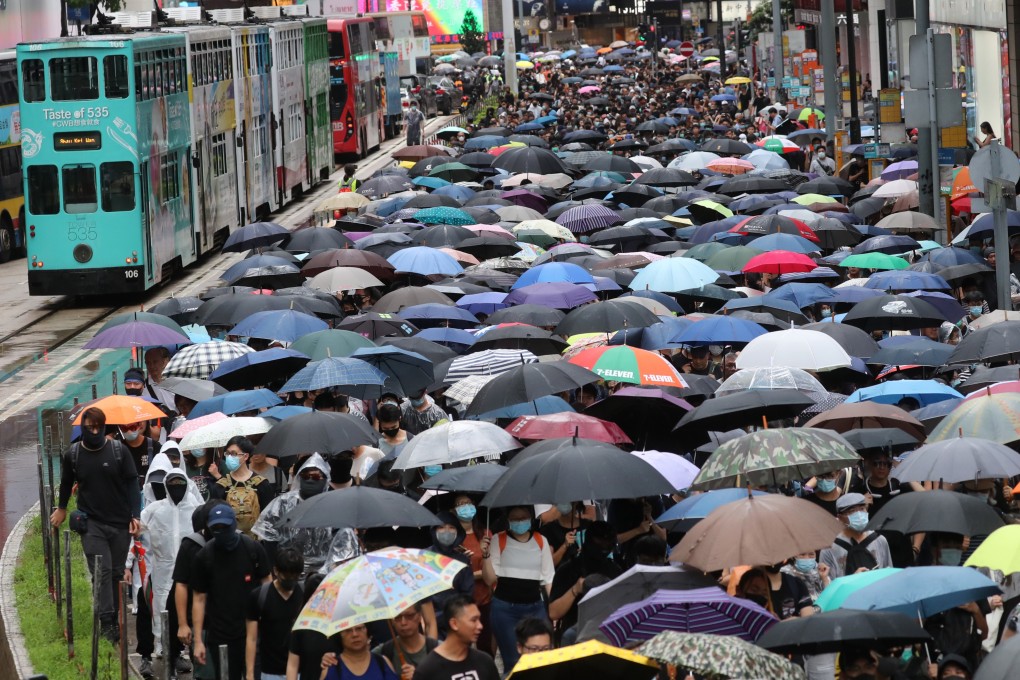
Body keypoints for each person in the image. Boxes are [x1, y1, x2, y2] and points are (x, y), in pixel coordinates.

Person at [51, 406, 141, 641]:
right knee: (101, 571)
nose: (94, 431)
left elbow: (132, 484)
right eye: (89, 427)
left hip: (120, 523)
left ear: (103, 426)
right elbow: (65, 483)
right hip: (92, 524)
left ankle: (114, 616)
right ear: (83, 428)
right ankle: (106, 621)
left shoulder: (118, 451)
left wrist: (136, 515)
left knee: (116, 573)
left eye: (98, 427)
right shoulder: (74, 455)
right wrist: (61, 508)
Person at [191, 504, 272, 680]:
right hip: (221, 637)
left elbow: (268, 584)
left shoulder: (253, 549)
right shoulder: (204, 557)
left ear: (234, 524)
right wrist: (198, 641)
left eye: (224, 527)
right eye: (216, 528)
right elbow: (198, 599)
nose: (221, 531)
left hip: (254, 632)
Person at [139, 458, 201, 673]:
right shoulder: (154, 510)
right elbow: (137, 535)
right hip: (161, 570)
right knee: (158, 609)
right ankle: (158, 650)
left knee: (183, 614)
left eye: (179, 484)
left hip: (188, 572)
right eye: (171, 484)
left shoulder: (195, 508)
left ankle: (178, 653)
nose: (176, 488)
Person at [481, 506, 554, 671]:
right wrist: (485, 555)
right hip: (505, 610)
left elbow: (548, 578)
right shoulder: (498, 540)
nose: (520, 521)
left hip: (535, 607)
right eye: (515, 518)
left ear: (531, 518)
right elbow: (489, 579)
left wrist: (553, 610)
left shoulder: (541, 540)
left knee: (542, 660)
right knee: (513, 662)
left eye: (524, 517)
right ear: (508, 520)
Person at [252, 453, 336, 573]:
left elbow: (340, 544)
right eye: (305, 475)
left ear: (325, 479)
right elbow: (268, 536)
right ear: (299, 477)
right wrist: (274, 569)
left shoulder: (333, 505)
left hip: (322, 575)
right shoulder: (283, 503)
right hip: (287, 571)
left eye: (316, 477)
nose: (310, 479)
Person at [548, 521, 622, 644]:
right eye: (600, 542)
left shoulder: (615, 570)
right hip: (573, 636)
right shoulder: (568, 569)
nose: (604, 547)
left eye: (608, 543)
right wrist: (575, 590)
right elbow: (554, 613)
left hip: (607, 635)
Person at [245, 547, 305, 680]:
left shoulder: (304, 595)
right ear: (276, 571)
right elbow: (251, 638)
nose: (290, 580)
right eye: (287, 576)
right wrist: (249, 673)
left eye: (295, 576)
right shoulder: (259, 596)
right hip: (270, 672)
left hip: (300, 671)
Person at [411, 596, 499, 680]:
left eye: (479, 620)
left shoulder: (485, 662)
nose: (480, 626)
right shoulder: (427, 670)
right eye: (473, 620)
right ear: (454, 624)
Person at [209, 436, 277, 537]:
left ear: (246, 456)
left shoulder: (262, 484)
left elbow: (269, 519)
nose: (229, 457)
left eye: (234, 454)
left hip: (256, 544)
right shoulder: (220, 486)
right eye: (227, 453)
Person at [820, 493, 893, 579]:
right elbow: (828, 586)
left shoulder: (879, 540)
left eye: (862, 509)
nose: (859, 515)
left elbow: (889, 574)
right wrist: (853, 579)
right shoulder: (829, 549)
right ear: (839, 517)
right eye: (851, 511)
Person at [427, 512, 475, 634]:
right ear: (434, 530)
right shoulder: (424, 557)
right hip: (429, 620)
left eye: (451, 527)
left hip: (456, 621)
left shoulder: (462, 560)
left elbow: (467, 593)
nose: (446, 531)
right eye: (441, 527)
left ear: (457, 531)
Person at [372, 603, 438, 680]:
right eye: (398, 617)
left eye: (409, 616)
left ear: (420, 616)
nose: (403, 622)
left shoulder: (438, 649)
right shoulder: (383, 652)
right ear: (392, 621)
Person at [322, 625, 398, 680]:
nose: (355, 635)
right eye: (348, 630)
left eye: (359, 628)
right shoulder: (331, 668)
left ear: (367, 631)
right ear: (340, 635)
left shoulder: (383, 663)